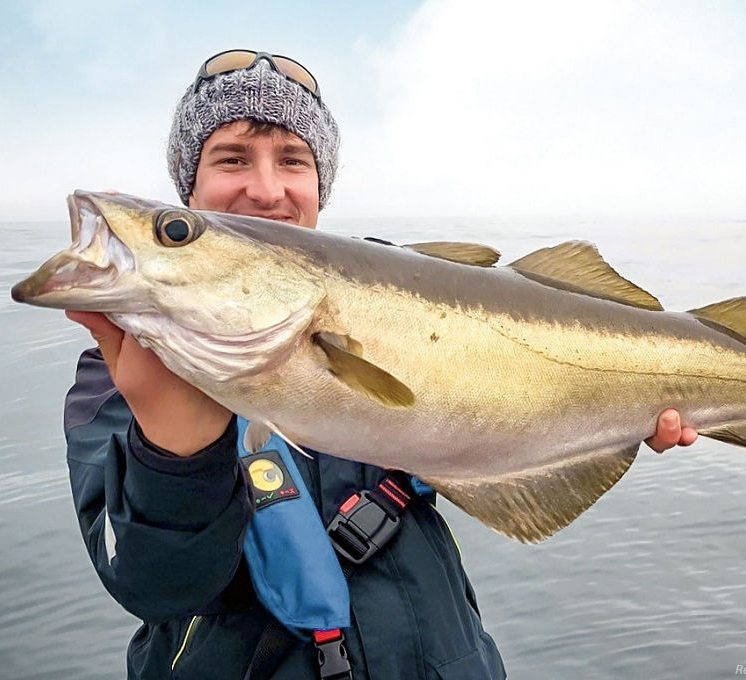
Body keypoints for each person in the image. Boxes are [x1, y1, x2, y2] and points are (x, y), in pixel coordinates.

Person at [63, 50, 697, 680]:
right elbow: (154, 587)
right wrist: (171, 452)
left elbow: (510, 402)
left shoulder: (393, 298)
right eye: (232, 159)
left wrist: (607, 415)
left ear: (320, 184)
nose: (267, 189)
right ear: (190, 188)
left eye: (294, 160)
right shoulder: (112, 381)